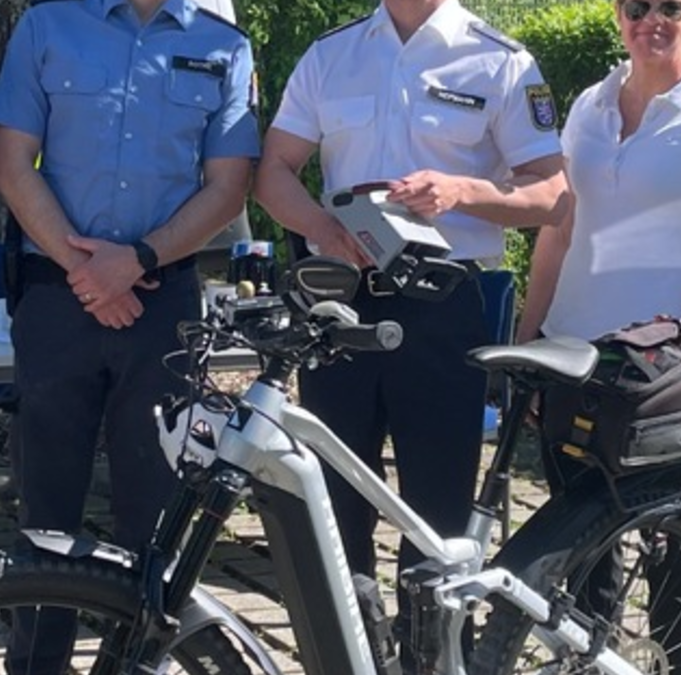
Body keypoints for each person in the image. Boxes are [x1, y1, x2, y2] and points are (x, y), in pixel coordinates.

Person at [253, 0, 568, 663]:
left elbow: (552, 195)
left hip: (443, 306)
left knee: (437, 512)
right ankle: (352, 655)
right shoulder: (330, 54)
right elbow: (273, 170)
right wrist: (321, 229)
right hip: (343, 305)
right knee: (335, 507)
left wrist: (461, 191)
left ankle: (434, 657)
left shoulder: (500, 60)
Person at [0, 0, 258, 670]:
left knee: (155, 515)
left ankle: (137, 662)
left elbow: (228, 188)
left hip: (162, 302)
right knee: (44, 515)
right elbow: (11, 163)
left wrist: (134, 261)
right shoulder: (47, 26)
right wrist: (87, 271)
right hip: (57, 299)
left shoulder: (224, 46)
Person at [518, 0, 681, 347]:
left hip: (659, 361)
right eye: (637, 8)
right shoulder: (588, 106)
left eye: (671, 8)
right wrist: (524, 339)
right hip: (563, 346)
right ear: (618, 15)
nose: (652, 20)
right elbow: (559, 233)